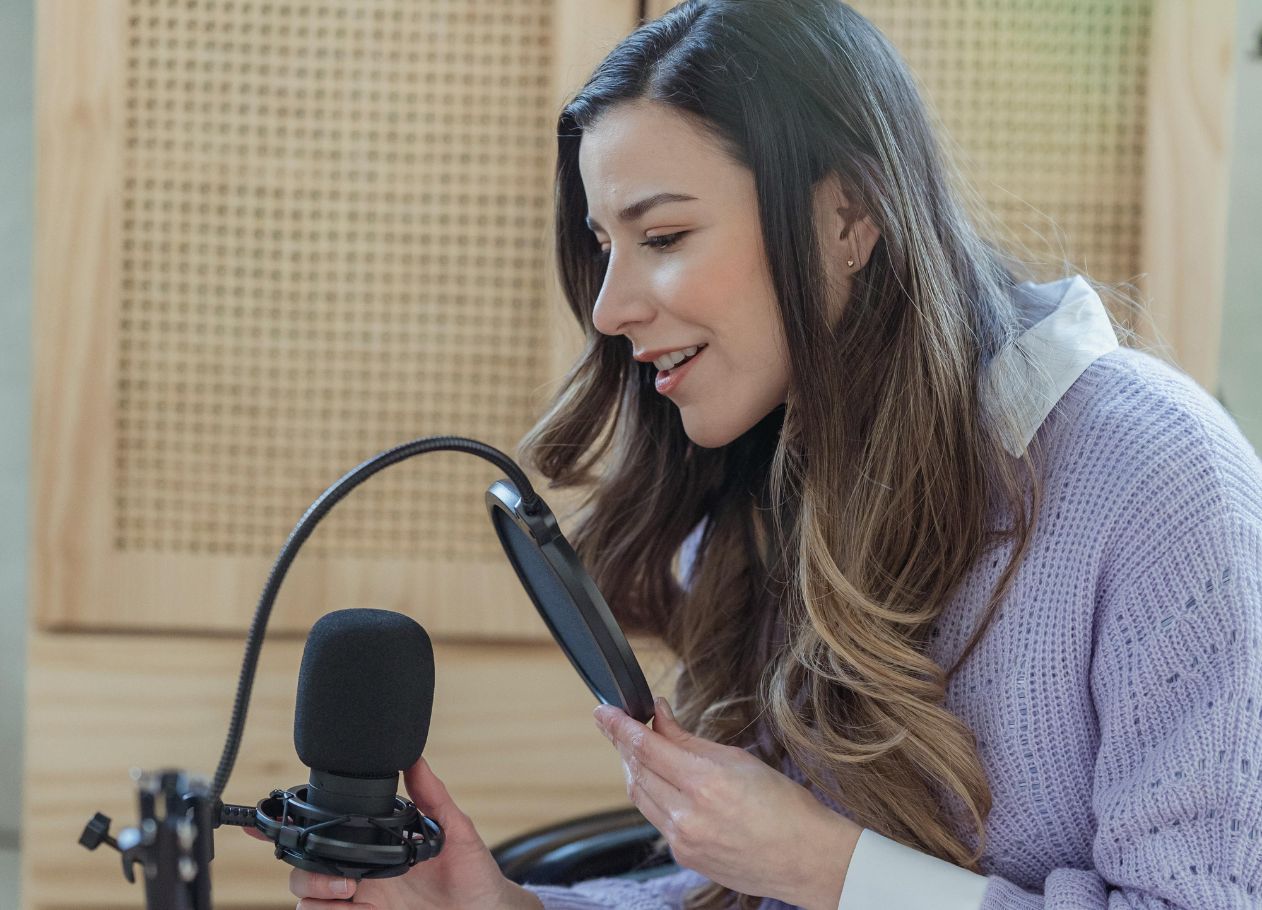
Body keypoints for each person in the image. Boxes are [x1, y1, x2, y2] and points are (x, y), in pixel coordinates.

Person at [283, 0, 1262, 908]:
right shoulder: (767, 486)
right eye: (602, 245)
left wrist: (826, 865)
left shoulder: (1155, 476)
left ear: (846, 217)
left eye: (661, 233)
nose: (608, 308)